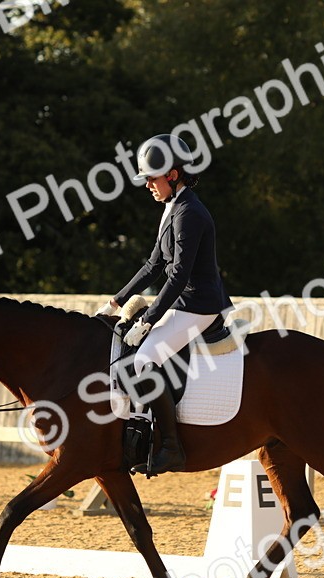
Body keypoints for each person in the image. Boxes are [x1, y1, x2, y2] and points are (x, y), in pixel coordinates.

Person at [95, 134, 231, 476]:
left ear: (172, 174)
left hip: (199, 305)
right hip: (184, 301)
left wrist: (149, 320)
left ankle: (171, 447)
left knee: (143, 360)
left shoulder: (191, 213)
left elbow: (180, 275)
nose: (148, 186)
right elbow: (153, 265)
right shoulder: (173, 208)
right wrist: (117, 301)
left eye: (152, 179)